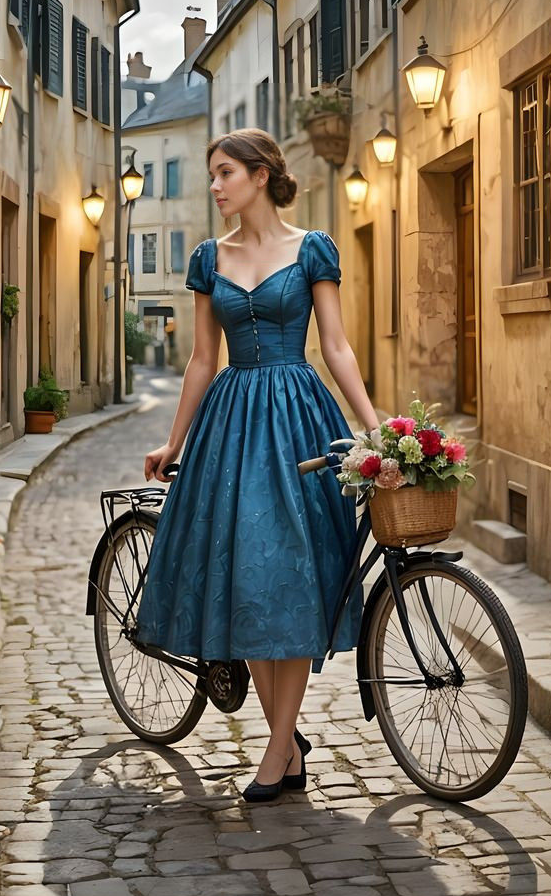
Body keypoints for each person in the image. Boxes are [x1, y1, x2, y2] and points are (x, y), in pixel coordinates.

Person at [136, 128, 378, 803]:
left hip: (299, 415)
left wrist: (375, 426)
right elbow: (201, 360)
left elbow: (336, 346)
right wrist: (174, 443)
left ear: (261, 174)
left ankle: (277, 748)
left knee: (291, 579)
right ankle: (285, 746)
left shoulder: (312, 250)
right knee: (248, 577)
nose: (213, 186)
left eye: (223, 174)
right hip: (231, 425)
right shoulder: (208, 258)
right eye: (212, 175)